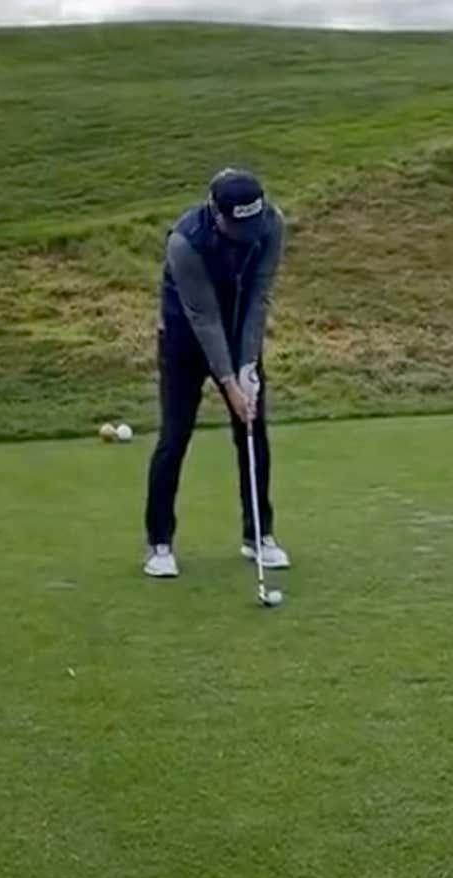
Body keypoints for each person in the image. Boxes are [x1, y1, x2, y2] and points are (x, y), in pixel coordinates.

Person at [143, 167, 292, 578]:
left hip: (240, 331)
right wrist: (229, 385)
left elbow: (259, 296)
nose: (246, 233)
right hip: (184, 340)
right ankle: (159, 544)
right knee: (174, 438)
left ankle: (258, 536)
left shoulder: (271, 225)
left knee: (252, 431)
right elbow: (203, 316)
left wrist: (247, 368)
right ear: (216, 212)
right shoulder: (185, 242)